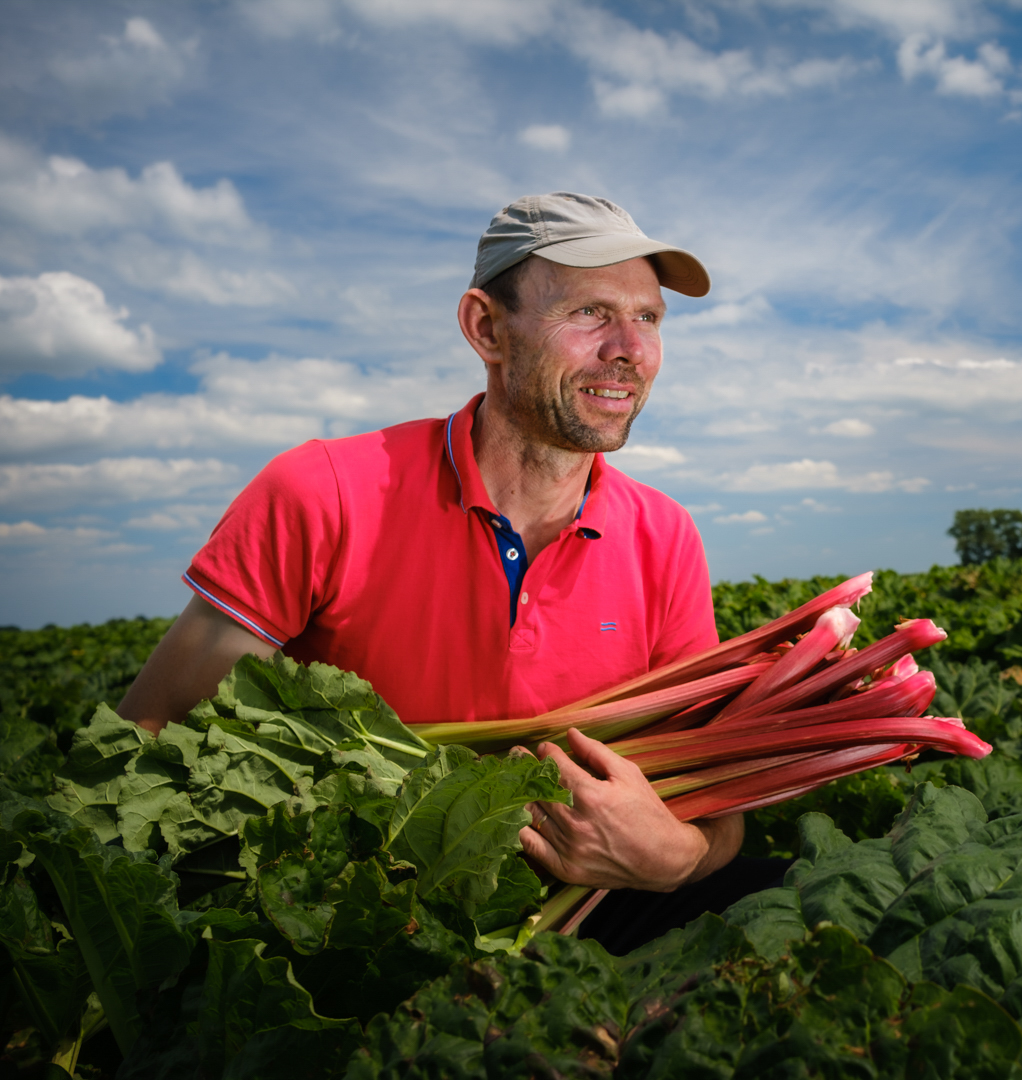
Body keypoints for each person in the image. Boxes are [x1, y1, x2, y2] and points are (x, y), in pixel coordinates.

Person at [117, 193, 780, 950]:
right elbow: (149, 736)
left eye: (650, 318)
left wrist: (678, 858)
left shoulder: (665, 536)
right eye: (591, 314)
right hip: (359, 930)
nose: (629, 347)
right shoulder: (322, 492)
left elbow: (717, 802)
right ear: (486, 328)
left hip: (581, 917)